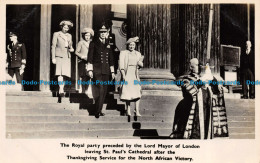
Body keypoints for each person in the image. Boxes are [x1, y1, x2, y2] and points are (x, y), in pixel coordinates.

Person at [170, 58, 229, 139]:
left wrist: (212, 78)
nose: (201, 67)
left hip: (206, 110)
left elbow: (217, 90)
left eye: (201, 65)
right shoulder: (186, 79)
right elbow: (191, 89)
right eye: (198, 65)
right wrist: (202, 80)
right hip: (192, 111)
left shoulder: (205, 78)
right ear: (191, 67)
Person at [87, 23, 115, 118]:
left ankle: (98, 109)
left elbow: (111, 59)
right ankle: (97, 111)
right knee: (101, 90)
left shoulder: (108, 44)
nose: (103, 34)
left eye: (104, 32)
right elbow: (89, 58)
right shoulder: (93, 43)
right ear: (99, 33)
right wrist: (90, 70)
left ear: (106, 33)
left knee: (104, 91)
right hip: (97, 70)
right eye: (101, 32)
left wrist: (112, 71)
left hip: (106, 71)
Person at [119, 37, 144, 116]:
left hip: (135, 74)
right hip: (127, 74)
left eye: (133, 45)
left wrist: (140, 64)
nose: (131, 46)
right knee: (128, 92)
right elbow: (121, 65)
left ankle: (137, 110)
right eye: (130, 45)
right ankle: (128, 110)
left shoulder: (138, 54)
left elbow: (140, 65)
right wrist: (123, 75)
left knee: (137, 91)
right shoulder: (123, 53)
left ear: (135, 45)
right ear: (128, 45)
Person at [51, 20, 74, 97]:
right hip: (59, 56)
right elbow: (53, 46)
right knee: (59, 73)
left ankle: (62, 88)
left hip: (67, 56)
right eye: (64, 27)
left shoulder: (69, 36)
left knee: (64, 74)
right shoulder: (57, 34)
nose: (65, 29)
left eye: (67, 28)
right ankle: (61, 89)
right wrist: (53, 57)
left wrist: (71, 49)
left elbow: (71, 46)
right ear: (62, 27)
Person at [75, 28, 94, 93]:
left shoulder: (92, 43)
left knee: (88, 76)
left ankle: (86, 90)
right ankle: (83, 91)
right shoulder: (81, 43)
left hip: (89, 62)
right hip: (82, 62)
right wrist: (82, 56)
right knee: (83, 76)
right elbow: (76, 52)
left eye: (88, 35)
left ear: (91, 36)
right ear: (83, 36)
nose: (87, 37)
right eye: (86, 35)